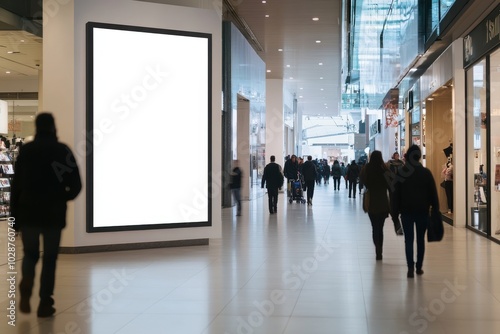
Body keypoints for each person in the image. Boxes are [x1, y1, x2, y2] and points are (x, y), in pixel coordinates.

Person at [11, 113, 82, 317]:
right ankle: (45, 302)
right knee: (50, 258)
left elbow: (16, 186)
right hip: (53, 213)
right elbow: (76, 184)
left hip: (28, 212)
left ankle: (26, 287)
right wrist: (63, 197)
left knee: (30, 254)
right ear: (53, 127)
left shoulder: (27, 151)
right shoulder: (62, 150)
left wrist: (15, 216)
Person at [393, 145, 439, 278]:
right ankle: (419, 267)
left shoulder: (401, 172)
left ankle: (410, 268)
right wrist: (435, 209)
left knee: (408, 240)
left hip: (406, 212)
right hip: (422, 212)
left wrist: (395, 213)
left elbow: (396, 195)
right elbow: (433, 194)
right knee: (420, 240)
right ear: (419, 156)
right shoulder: (426, 173)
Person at [360, 151, 390, 260]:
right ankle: (379, 250)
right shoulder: (384, 169)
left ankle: (377, 247)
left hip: (371, 200)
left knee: (374, 226)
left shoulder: (366, 168)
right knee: (380, 227)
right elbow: (391, 184)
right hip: (382, 201)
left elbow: (363, 181)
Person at [387, 152, 404, 235]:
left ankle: (398, 225)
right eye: (396, 155)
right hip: (392, 185)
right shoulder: (390, 164)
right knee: (393, 202)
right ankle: (398, 225)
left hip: (400, 185)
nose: (397, 157)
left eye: (398, 155)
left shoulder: (401, 163)